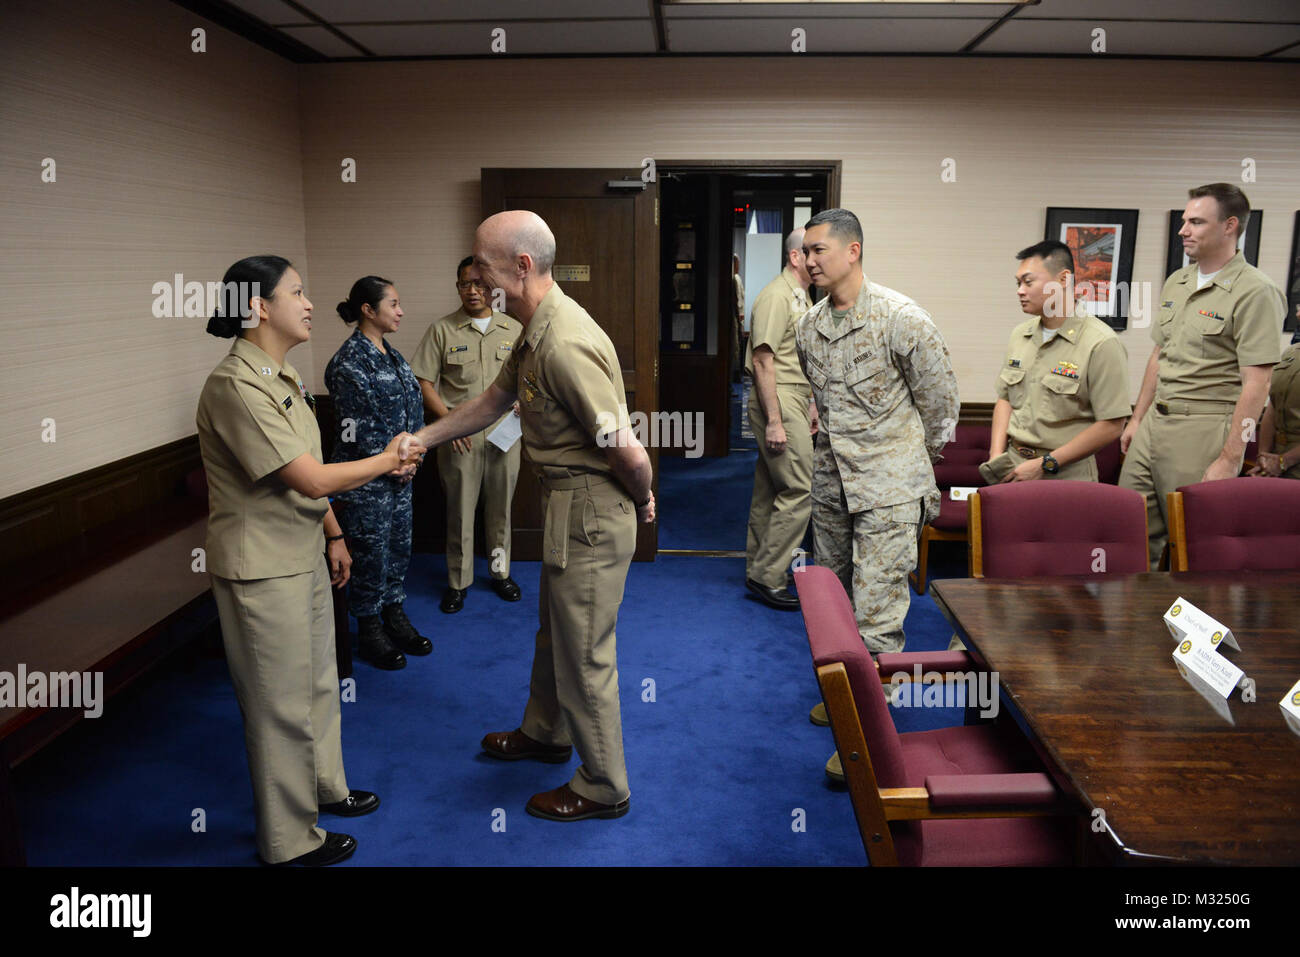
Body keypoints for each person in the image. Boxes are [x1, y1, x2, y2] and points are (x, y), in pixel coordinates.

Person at [403, 210, 654, 822]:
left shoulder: (564, 340)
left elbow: (628, 449)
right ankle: (546, 732)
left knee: (584, 651)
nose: (475, 277)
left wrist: (644, 497)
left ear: (519, 266)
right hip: (567, 504)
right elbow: (493, 399)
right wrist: (424, 439)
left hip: (592, 509)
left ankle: (604, 785)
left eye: (483, 265)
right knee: (555, 633)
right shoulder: (534, 327)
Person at [196, 255, 423, 865]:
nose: (311, 303)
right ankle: (288, 839)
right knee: (278, 705)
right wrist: (389, 457)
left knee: (322, 684)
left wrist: (333, 536)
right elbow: (309, 475)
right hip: (261, 569)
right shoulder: (236, 385)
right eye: (297, 292)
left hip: (301, 552)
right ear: (258, 306)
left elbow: (305, 481)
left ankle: (327, 789)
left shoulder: (282, 376)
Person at [794, 209, 959, 783]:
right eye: (805, 251)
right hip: (834, 487)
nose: (809, 260)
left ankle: (867, 737)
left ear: (853, 250)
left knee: (877, 616)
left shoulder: (900, 319)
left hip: (890, 489)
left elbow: (941, 405)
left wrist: (913, 464)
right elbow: (824, 403)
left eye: (819, 250)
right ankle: (847, 696)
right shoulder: (808, 326)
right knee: (833, 605)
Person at [1119, 184, 1286, 567]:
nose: (1184, 230)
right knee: (1132, 533)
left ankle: (1196, 625)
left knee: (1194, 543)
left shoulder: (1256, 291)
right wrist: (1137, 418)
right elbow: (1159, 355)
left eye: (1196, 222)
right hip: (1152, 427)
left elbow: (1258, 383)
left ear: (1230, 226)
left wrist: (1232, 456)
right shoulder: (1177, 282)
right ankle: (1135, 623)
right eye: (1184, 221)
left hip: (1204, 426)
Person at [325, 276, 431, 670]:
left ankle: (393, 614)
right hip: (365, 481)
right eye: (394, 304)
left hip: (401, 477)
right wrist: (395, 464)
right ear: (368, 310)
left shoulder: (394, 356)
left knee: (398, 549)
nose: (401, 311)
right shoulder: (349, 362)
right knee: (370, 554)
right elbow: (358, 427)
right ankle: (368, 628)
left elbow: (415, 412)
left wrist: (413, 458)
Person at [410, 256, 524, 614]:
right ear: (457, 287)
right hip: (460, 438)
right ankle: (458, 582)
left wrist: (524, 401)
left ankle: (500, 572)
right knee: (459, 511)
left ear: (492, 287)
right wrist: (446, 421)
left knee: (501, 509)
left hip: (506, 433)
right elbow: (423, 381)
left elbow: (532, 376)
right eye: (464, 284)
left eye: (479, 283)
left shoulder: (514, 329)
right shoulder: (443, 330)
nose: (472, 291)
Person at [980, 240, 1130, 484]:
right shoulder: (1021, 335)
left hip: (1065, 473)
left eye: (1028, 282)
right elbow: (1005, 398)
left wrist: (1046, 464)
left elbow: (1112, 424)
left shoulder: (1101, 342)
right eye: (1018, 283)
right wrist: (996, 455)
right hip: (1013, 466)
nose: (1020, 290)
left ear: (1063, 279)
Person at [744, 227, 817, 610]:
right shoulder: (776, 296)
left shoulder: (799, 295)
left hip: (792, 397)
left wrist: (812, 405)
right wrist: (775, 420)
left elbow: (796, 358)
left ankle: (759, 567)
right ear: (795, 257)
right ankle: (768, 576)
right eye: (812, 251)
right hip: (779, 400)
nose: (818, 259)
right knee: (799, 490)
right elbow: (762, 359)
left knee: (771, 487)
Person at [1249, 339, 1300, 478]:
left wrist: (1284, 461)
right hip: (1275, 460)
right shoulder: (1292, 352)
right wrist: (1263, 457)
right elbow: (1273, 407)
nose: (1297, 315)